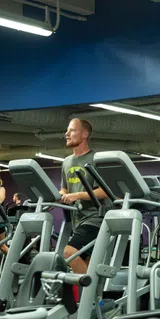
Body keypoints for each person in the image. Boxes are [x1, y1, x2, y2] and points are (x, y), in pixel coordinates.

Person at [60, 118, 108, 275]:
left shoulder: (96, 159)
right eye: (67, 130)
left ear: (85, 134)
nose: (66, 134)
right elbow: (64, 189)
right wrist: (52, 196)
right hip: (77, 221)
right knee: (86, 266)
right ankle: (91, 298)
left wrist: (77, 195)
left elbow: (105, 191)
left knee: (69, 252)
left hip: (95, 219)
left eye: (72, 130)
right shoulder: (66, 162)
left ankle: (91, 295)